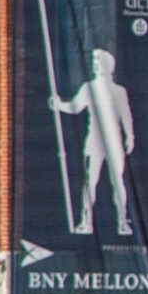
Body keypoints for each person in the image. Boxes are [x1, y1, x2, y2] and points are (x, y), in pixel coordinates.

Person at [51, 47, 138, 237]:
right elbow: (75, 107)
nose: (97, 65)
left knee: (118, 181)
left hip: (114, 141)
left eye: (100, 61)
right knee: (91, 181)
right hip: (95, 141)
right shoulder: (89, 88)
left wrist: (130, 136)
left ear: (109, 65)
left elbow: (126, 115)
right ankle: (86, 221)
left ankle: (123, 221)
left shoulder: (118, 91)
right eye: (95, 62)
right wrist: (59, 105)